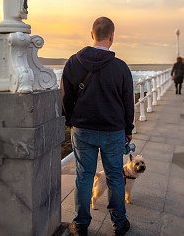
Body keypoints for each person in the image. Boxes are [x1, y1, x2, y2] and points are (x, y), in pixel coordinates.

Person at [61, 17, 134, 236]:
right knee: (114, 176)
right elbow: (128, 102)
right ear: (112, 36)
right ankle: (119, 223)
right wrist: (128, 130)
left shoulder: (73, 63)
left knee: (84, 176)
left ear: (91, 34)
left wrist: (72, 121)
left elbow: (66, 99)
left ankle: (81, 223)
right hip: (113, 131)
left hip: (82, 130)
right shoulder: (120, 67)